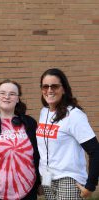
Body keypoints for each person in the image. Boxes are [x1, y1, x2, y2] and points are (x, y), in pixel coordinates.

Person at [36, 68, 99, 199]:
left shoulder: (74, 115)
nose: (49, 90)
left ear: (64, 89)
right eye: (45, 86)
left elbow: (95, 150)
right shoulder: (44, 112)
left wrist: (90, 185)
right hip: (47, 178)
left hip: (68, 179)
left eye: (54, 86)